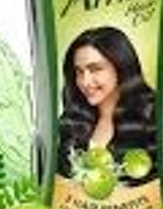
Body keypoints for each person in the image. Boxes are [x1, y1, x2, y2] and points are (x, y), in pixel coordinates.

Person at [57, 26, 157, 184]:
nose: (85, 82)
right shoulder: (72, 120)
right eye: (79, 72)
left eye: (95, 69)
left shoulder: (153, 117)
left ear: (121, 67)